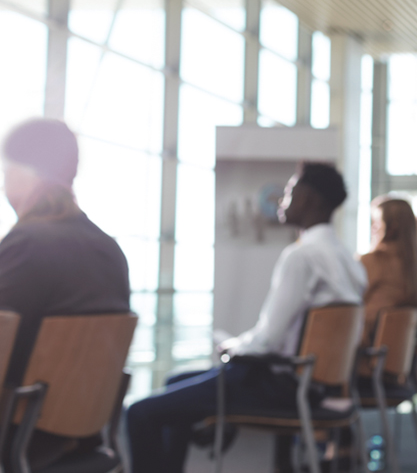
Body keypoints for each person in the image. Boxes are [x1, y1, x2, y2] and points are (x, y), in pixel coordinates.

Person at [126, 162, 366, 473]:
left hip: (280, 384)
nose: (282, 200)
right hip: (317, 384)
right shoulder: (349, 261)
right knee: (176, 383)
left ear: (311, 199)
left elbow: (268, 341)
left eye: (291, 191)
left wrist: (232, 347)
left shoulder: (302, 256)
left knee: (139, 413)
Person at [0, 118, 130, 467]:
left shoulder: (25, 244)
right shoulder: (110, 251)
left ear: (24, 172)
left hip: (20, 435)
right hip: (84, 433)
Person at [361, 195, 417, 340]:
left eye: (376, 222)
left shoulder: (373, 261)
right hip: (394, 355)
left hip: (365, 352)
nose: (373, 228)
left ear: (390, 228)